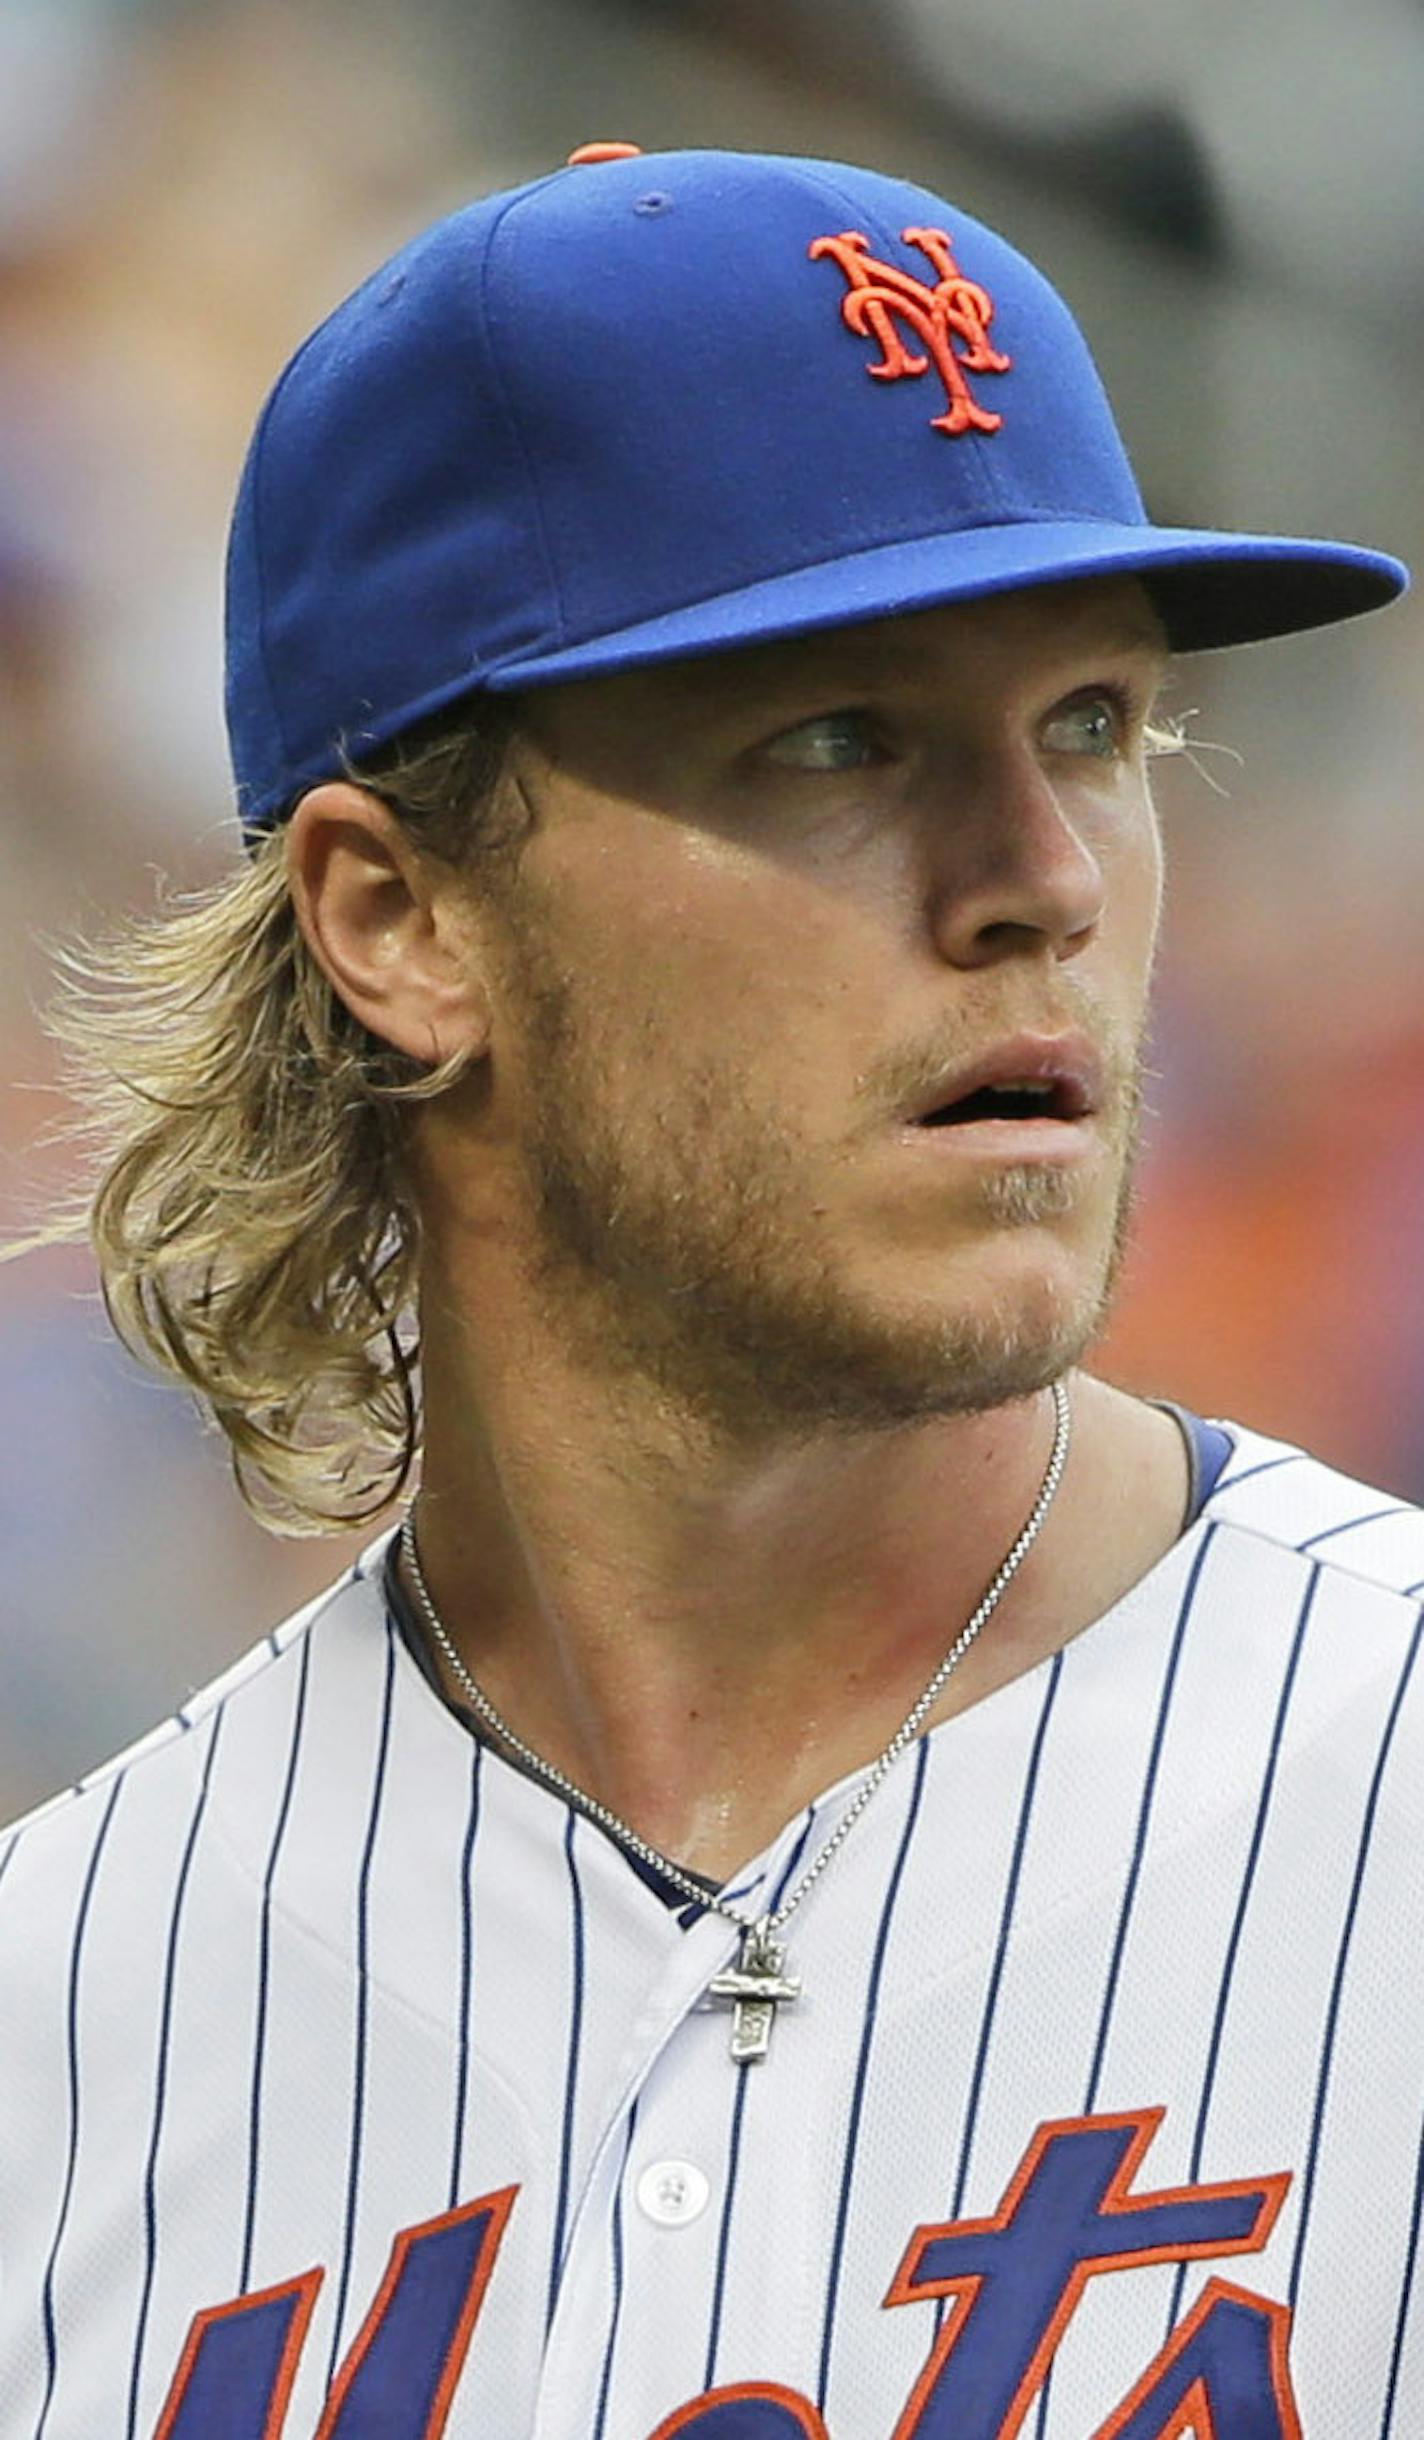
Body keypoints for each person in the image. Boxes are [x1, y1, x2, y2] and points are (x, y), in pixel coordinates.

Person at [1, 141, 1418, 2440]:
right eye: (840, 738)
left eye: (1091, 723)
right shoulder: (56, 2029)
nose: (1041, 880)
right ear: (399, 922)